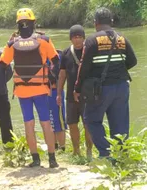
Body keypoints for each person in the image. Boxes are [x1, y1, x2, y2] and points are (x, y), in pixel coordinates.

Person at [0, 8, 60, 168]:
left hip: (22, 90)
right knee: (46, 123)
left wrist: (8, 42)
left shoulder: (13, 43)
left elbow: (2, 64)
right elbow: (56, 61)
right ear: (34, 23)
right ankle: (52, 159)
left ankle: (35, 159)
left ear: (18, 25)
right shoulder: (44, 40)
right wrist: (51, 77)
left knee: (29, 124)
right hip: (41, 89)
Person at [74, 8, 137, 157]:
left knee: (91, 119)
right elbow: (133, 61)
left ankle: (106, 153)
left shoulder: (92, 40)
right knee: (120, 125)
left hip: (101, 89)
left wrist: (77, 88)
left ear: (95, 23)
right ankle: (121, 157)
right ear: (112, 22)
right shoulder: (122, 38)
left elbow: (84, 67)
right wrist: (119, 71)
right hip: (122, 87)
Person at [57, 25, 93, 158]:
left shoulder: (89, 51)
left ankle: (89, 150)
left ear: (84, 38)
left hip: (87, 95)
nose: (77, 40)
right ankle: (76, 150)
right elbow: (62, 75)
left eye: (79, 37)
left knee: (87, 124)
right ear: (71, 39)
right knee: (72, 124)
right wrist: (59, 94)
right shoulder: (66, 53)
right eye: (74, 37)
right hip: (71, 97)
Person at [47, 51, 67, 152]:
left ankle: (62, 147)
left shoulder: (58, 56)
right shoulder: (39, 56)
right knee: (49, 120)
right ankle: (53, 146)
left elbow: (62, 75)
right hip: (44, 93)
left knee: (59, 120)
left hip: (56, 92)